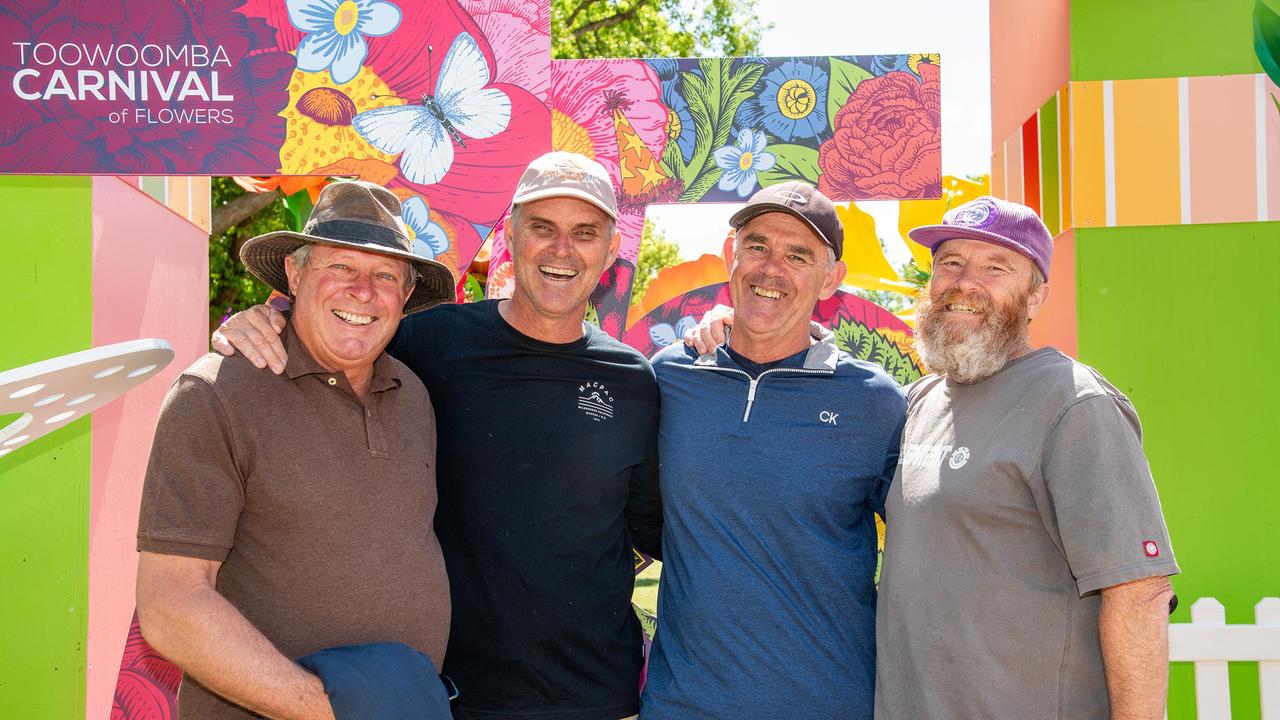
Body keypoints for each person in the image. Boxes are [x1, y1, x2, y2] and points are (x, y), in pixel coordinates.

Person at [213, 152, 662, 720]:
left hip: (595, 695)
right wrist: (263, 318)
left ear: (610, 250)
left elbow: (652, 529)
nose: (561, 249)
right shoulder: (426, 344)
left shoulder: (633, 380)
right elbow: (332, 334)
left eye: (584, 233)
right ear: (510, 234)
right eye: (542, 227)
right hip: (446, 693)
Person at [136, 180, 457, 719]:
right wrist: (328, 709)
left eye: (384, 275)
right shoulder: (217, 392)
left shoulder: (413, 394)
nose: (363, 291)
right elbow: (170, 603)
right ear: (295, 273)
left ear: (404, 295)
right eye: (341, 267)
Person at [875, 196, 1179, 719]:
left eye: (997, 267)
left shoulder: (1074, 404)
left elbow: (1139, 593)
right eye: (951, 262)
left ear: (1036, 295)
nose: (965, 283)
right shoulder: (920, 401)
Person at [641, 182, 906, 719]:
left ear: (832, 279)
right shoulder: (669, 377)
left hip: (828, 703)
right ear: (729, 257)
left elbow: (929, 547)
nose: (771, 268)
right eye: (757, 245)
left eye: (798, 255)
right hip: (681, 704)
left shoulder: (874, 402)